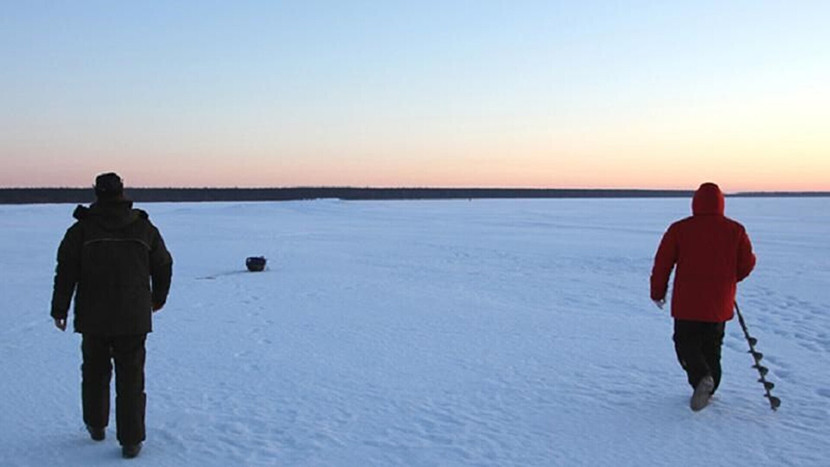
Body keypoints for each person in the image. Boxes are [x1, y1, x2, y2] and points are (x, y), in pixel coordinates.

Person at [51, 172, 173, 458]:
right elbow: (164, 264)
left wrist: (60, 309)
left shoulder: (81, 229)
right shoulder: (144, 228)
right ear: (122, 192)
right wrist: (158, 298)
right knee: (130, 378)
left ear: (97, 193)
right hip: (132, 317)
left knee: (94, 372)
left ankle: (96, 425)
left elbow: (65, 271)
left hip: (94, 317)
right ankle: (130, 442)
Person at [650, 182, 755, 411]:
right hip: (719, 302)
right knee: (712, 346)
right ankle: (709, 385)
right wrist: (729, 279)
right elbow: (747, 263)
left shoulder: (679, 229)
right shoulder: (735, 230)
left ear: (695, 203)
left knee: (685, 343)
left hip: (688, 304)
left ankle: (702, 380)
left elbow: (663, 263)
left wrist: (657, 292)